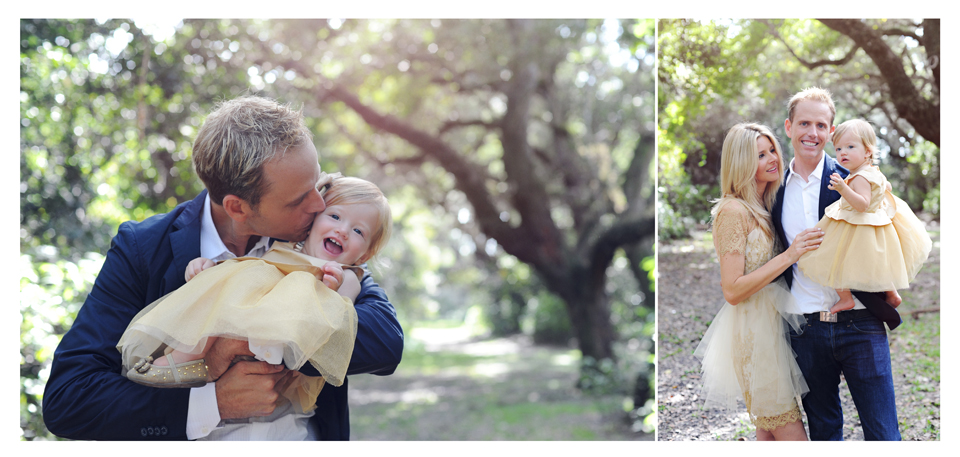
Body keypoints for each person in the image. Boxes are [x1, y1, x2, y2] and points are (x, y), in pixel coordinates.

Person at [42, 96, 403, 440]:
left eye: (318, 183)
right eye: (299, 199)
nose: (320, 203)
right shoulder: (143, 248)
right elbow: (70, 398)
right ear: (238, 208)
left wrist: (249, 339)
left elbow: (385, 342)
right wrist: (211, 393)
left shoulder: (319, 237)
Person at [116, 177, 391, 430]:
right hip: (246, 321)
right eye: (334, 216)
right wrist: (209, 269)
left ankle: (189, 363)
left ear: (365, 252)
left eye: (358, 231)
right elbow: (241, 269)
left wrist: (331, 288)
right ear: (313, 221)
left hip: (282, 345)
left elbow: (338, 322)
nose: (342, 231)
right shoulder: (284, 246)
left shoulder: (348, 277)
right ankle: (178, 361)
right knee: (225, 293)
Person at [772, 87, 902, 440]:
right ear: (789, 127)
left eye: (820, 125)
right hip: (805, 326)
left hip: (860, 319)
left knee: (884, 434)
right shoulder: (774, 189)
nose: (811, 133)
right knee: (825, 432)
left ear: (830, 132)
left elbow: (884, 237)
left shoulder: (852, 178)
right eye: (804, 123)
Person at [695, 122, 825, 441]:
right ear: (741, 163)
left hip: (774, 333)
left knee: (768, 434)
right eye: (760, 155)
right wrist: (790, 254)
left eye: (772, 151)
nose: (772, 159)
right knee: (791, 435)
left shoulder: (766, 207)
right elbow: (732, 289)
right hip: (754, 339)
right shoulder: (732, 212)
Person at [797, 119, 931, 313]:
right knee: (878, 264)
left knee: (834, 258)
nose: (843, 153)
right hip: (873, 226)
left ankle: (845, 298)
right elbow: (887, 188)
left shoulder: (859, 177)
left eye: (850, 147)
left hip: (856, 225)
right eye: (839, 148)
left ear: (868, 151)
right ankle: (892, 294)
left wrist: (843, 188)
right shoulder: (873, 172)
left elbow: (862, 204)